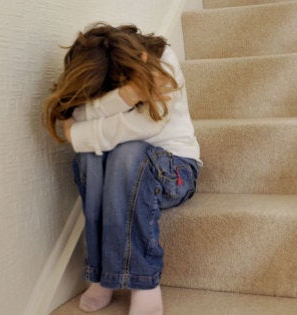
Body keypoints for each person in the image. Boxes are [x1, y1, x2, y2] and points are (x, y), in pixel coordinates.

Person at [42, 23, 201, 314]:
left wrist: (79, 134)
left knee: (129, 151)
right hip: (119, 173)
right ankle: (103, 276)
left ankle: (144, 282)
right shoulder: (100, 66)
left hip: (175, 172)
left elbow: (141, 127)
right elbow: (75, 112)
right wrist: (125, 97)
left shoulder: (162, 61)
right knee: (91, 159)